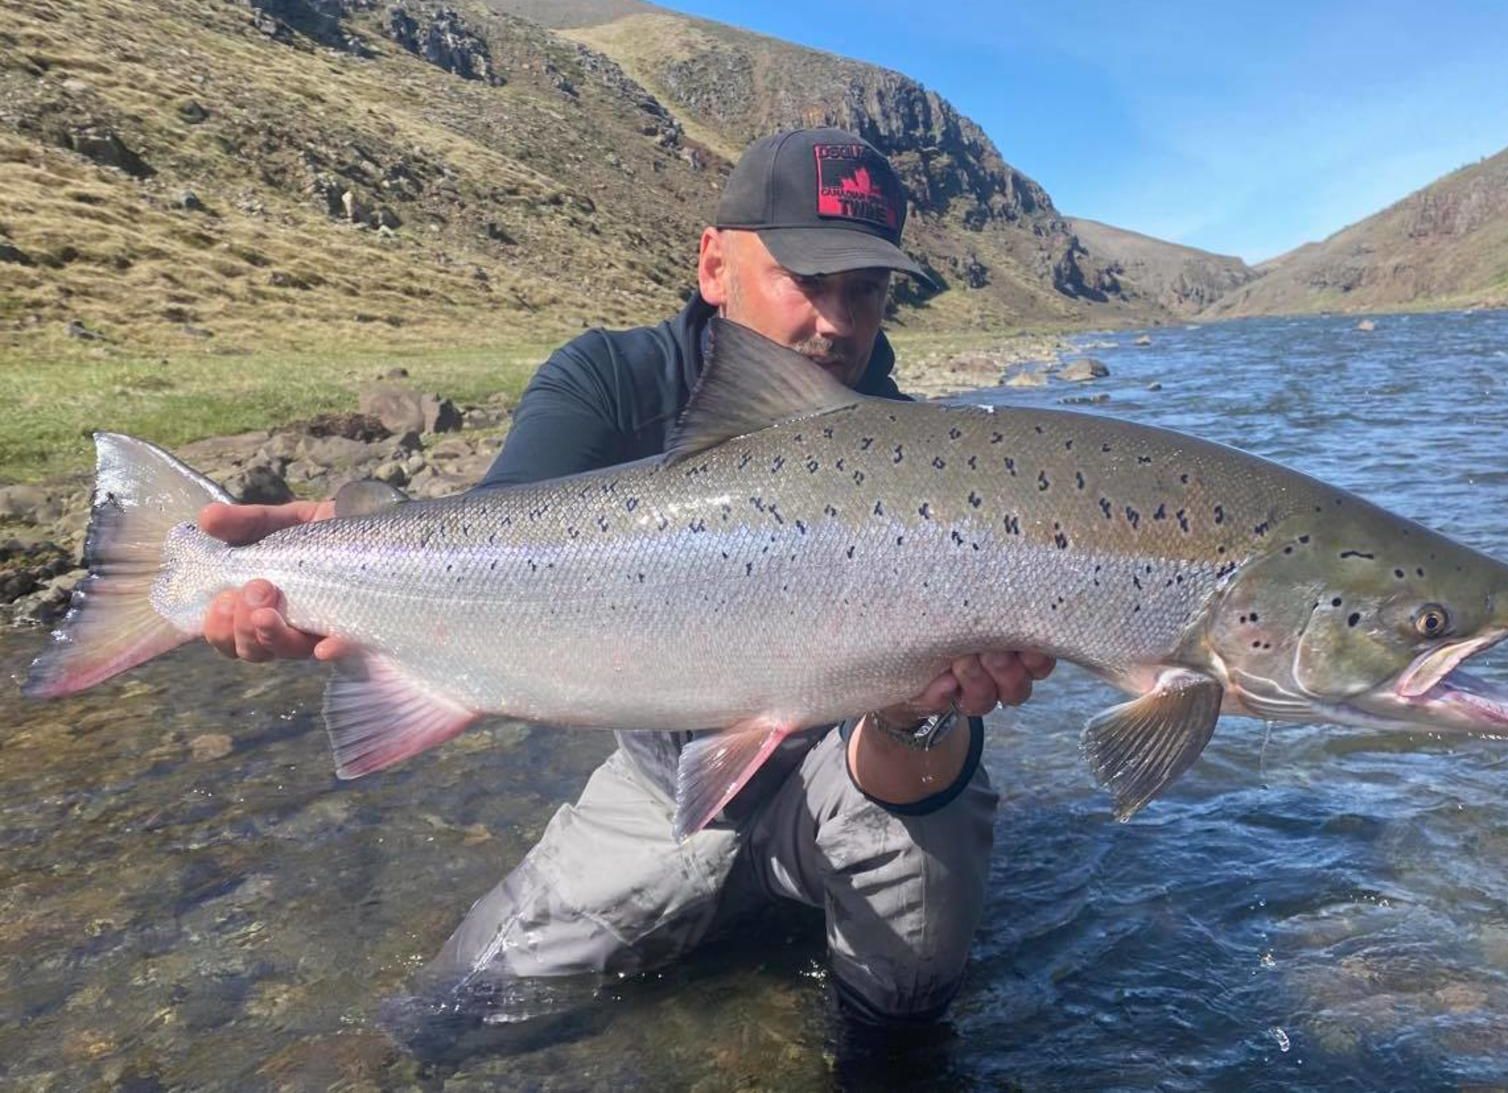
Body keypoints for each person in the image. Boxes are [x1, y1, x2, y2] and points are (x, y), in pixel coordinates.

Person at [198, 128, 1056, 1035]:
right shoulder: (609, 379)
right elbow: (497, 545)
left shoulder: (930, 464)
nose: (838, 322)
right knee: (437, 1022)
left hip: (844, 777)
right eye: (806, 280)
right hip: (658, 783)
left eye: (866, 290)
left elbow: (905, 767)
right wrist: (341, 568)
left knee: (906, 1012)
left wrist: (915, 712)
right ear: (714, 265)